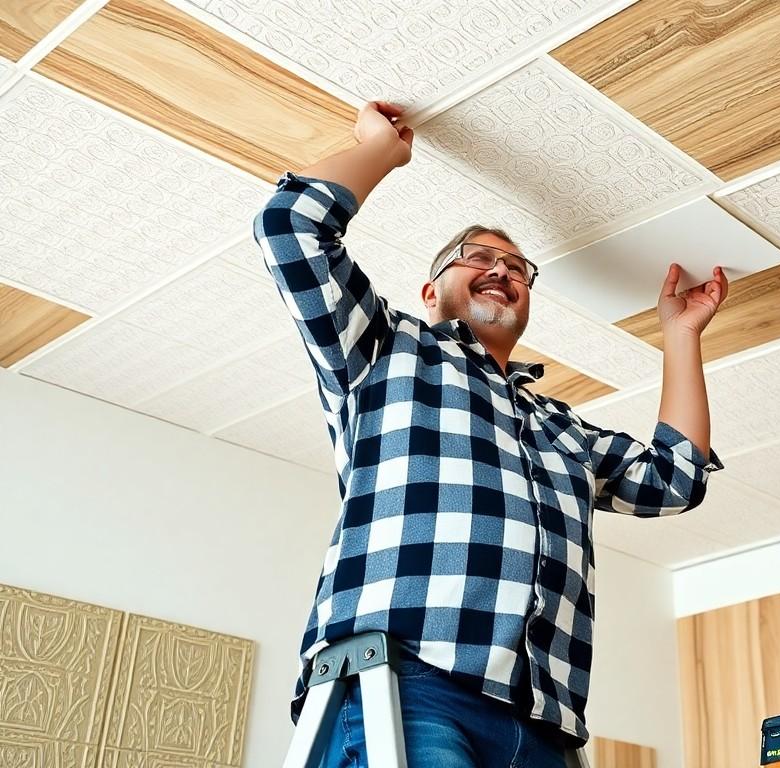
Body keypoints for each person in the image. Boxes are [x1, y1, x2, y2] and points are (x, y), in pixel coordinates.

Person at [252, 100, 726, 767]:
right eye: (478, 257)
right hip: (409, 683)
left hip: (542, 723)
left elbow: (673, 480)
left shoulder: (561, 429)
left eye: (518, 267)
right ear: (429, 291)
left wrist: (680, 336)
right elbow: (290, 229)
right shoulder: (387, 356)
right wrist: (380, 149)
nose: (503, 269)